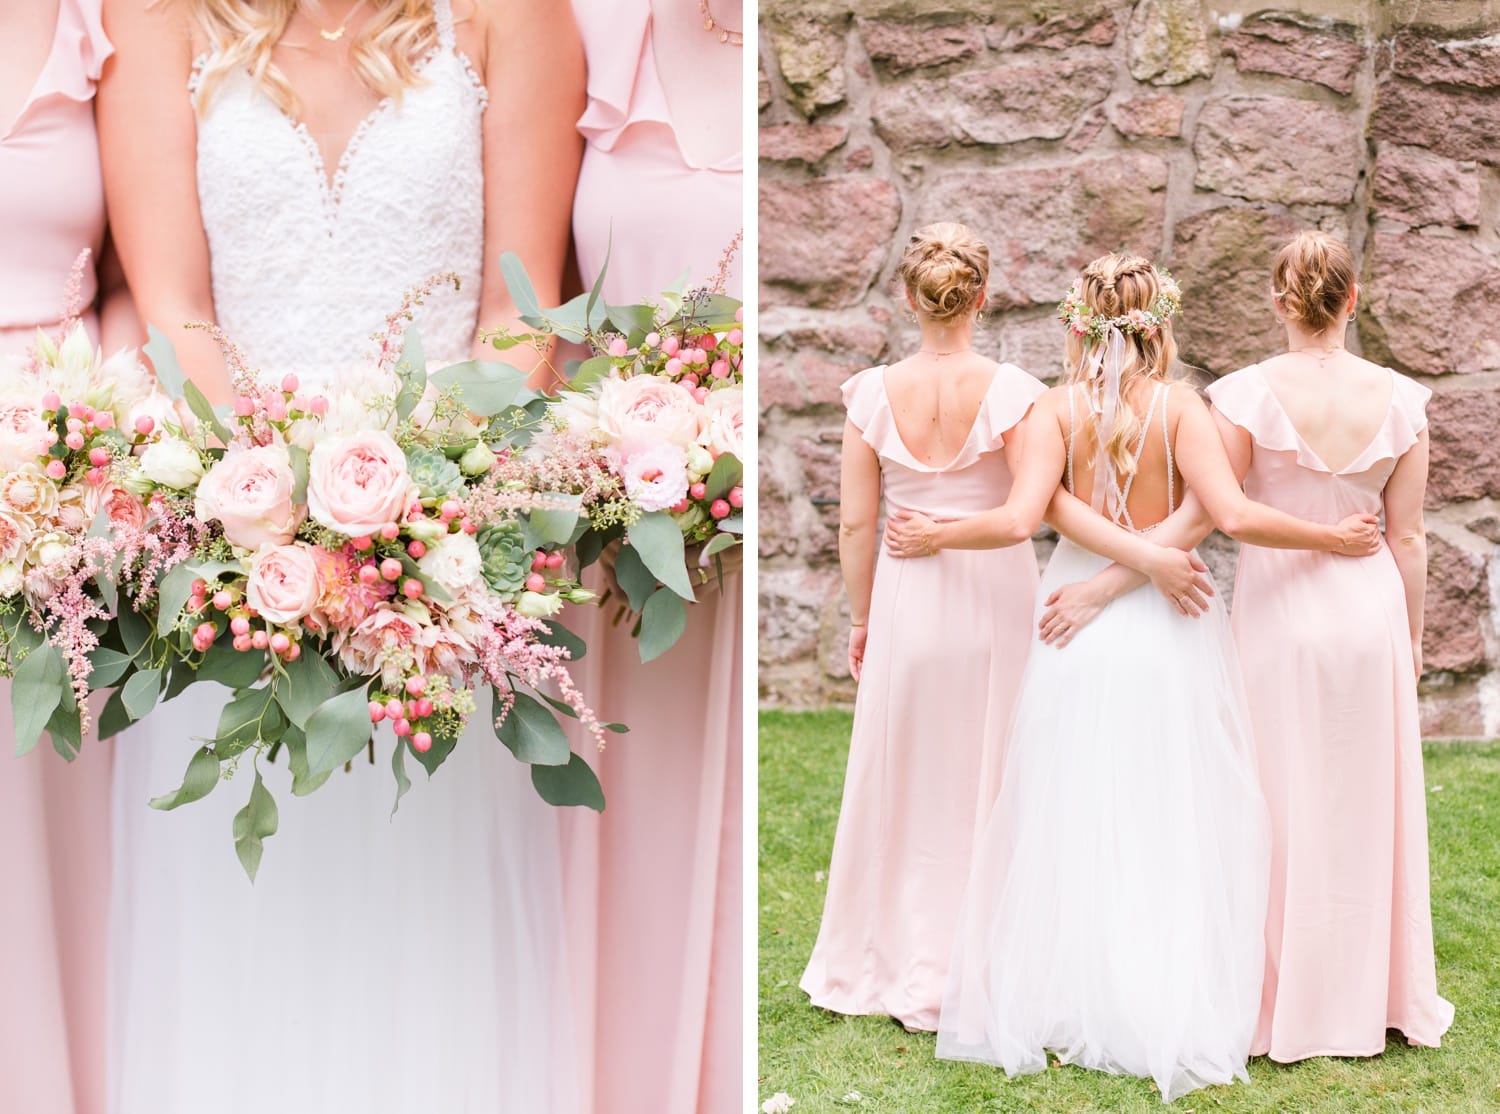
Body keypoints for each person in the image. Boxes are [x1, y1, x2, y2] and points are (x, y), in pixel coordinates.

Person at [96, 1, 585, 1108]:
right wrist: (268, 508)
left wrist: (418, 521)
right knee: (238, 918)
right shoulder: (163, 19)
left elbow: (521, 315)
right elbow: (173, 305)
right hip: (233, 565)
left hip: (436, 577)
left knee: (425, 915)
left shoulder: (513, 18)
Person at [885, 253, 1381, 1100]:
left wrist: (1112, 577)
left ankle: (1073, 985)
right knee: (1172, 797)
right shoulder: (1187, 407)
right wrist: (1162, 562)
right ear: (1161, 321)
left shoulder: (1053, 408)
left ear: (1076, 321)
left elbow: (1043, 511)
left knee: (1070, 796)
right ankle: (1155, 982)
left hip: (1073, 609)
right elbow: (1221, 514)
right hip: (1169, 616)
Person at [1207, 231, 1454, 1061]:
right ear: (1353, 300)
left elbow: (1224, 508)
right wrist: (1412, 641)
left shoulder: (1241, 395)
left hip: (1279, 612)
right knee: (1364, 800)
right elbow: (1409, 537)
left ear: (1280, 302)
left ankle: (1281, 998)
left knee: (1278, 797)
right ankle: (1369, 996)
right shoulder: (1403, 401)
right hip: (1370, 614)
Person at [561, 1, 743, 1109]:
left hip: (735, 545)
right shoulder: (591, 26)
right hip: (606, 559)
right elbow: (527, 309)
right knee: (624, 863)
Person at [798, 223, 1045, 1033]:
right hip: (997, 596)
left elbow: (856, 529)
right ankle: (991, 952)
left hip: (911, 594)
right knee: (993, 768)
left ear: (909, 298)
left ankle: (897, 955)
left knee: (907, 773)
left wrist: (865, 616)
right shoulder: (1013, 392)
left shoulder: (872, 395)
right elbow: (1024, 514)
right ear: (981, 295)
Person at [0, 2, 133, 1109]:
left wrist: (101, 434)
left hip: (69, 494)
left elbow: (149, 277)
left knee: (61, 853)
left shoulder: (102, 20)